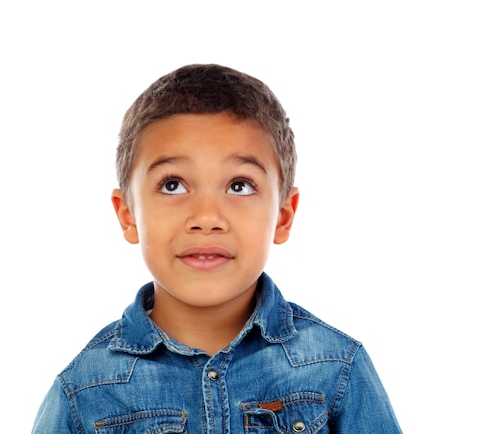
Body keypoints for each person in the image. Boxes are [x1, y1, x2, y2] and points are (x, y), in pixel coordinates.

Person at [31, 64, 402, 433]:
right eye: (173, 184)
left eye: (239, 185)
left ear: (283, 216)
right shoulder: (84, 391)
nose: (207, 217)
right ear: (128, 215)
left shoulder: (336, 369)